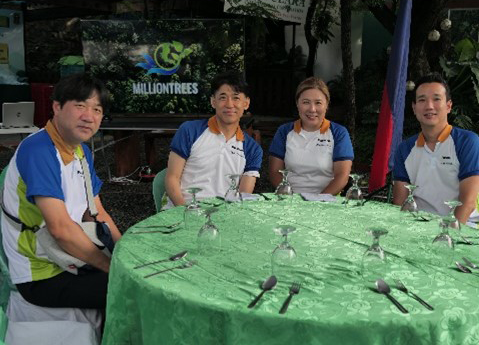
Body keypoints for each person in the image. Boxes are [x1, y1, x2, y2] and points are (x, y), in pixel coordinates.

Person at [1, 73, 121, 309]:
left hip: (71, 257)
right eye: (80, 106)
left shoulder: (81, 151)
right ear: (56, 107)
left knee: (141, 281)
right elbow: (60, 229)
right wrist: (112, 267)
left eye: (97, 109)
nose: (89, 116)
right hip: (41, 272)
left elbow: (96, 213)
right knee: (129, 293)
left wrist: (125, 252)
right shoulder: (39, 150)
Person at [165, 71, 263, 206]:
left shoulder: (252, 148)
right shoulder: (190, 130)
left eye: (236, 98)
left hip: (224, 216)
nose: (229, 104)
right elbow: (172, 178)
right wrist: (185, 212)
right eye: (223, 97)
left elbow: (243, 197)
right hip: (183, 209)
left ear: (246, 103)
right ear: (213, 101)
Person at [392, 73, 479, 224]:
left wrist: (448, 236)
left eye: (437, 99)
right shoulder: (404, 149)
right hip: (419, 225)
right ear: (414, 108)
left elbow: (468, 201)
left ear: (449, 106)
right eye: (422, 100)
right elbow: (400, 203)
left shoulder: (467, 142)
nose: (429, 106)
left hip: (462, 226)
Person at [268, 77, 354, 195]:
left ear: (326, 105)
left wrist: (317, 202)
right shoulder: (284, 131)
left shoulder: (339, 133)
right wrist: (290, 200)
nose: (312, 109)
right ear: (297, 104)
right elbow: (274, 172)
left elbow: (342, 176)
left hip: (326, 202)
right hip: (289, 201)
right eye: (306, 102)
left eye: (318, 103)